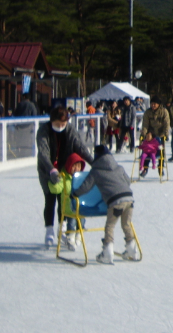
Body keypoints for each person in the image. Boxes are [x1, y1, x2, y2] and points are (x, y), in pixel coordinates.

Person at [36, 105, 93, 248]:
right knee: (50, 199)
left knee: (65, 200)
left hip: (67, 170)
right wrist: (51, 170)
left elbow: (80, 147)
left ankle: (63, 227)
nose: (61, 126)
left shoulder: (70, 129)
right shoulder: (44, 130)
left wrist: (94, 162)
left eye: (63, 124)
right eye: (57, 124)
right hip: (47, 169)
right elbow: (43, 153)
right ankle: (49, 230)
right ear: (51, 121)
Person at [74, 145, 138, 265]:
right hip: (129, 199)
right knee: (126, 224)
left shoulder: (96, 171)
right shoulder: (118, 167)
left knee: (110, 226)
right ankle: (132, 250)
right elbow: (128, 181)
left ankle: (107, 253)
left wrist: (75, 194)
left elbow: (86, 186)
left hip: (115, 201)